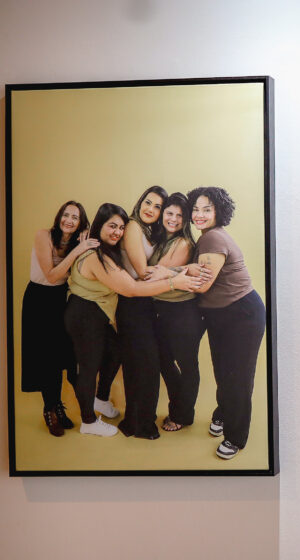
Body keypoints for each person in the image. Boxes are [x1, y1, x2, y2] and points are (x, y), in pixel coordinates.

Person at [64, 203, 199, 437]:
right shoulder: (97, 255)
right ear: (100, 225)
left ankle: (100, 399)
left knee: (116, 352)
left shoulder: (106, 249)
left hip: (98, 313)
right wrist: (174, 281)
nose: (117, 232)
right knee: (88, 368)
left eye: (120, 228)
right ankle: (88, 421)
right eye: (112, 226)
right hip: (84, 314)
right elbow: (131, 289)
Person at [189, 186, 267, 460]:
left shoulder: (213, 238)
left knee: (238, 378)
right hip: (220, 315)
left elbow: (202, 284)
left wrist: (166, 272)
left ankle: (236, 437)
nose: (199, 214)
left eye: (206, 209)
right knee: (223, 372)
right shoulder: (207, 236)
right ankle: (223, 413)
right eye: (195, 209)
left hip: (241, 314)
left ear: (218, 211)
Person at [22, 201, 97, 436]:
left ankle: (58, 406)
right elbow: (52, 276)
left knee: (62, 357)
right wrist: (78, 250)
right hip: (38, 300)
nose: (69, 220)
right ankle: (50, 410)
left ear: (80, 223)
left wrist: (83, 243)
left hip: (61, 299)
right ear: (59, 216)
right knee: (46, 358)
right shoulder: (43, 235)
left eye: (75, 217)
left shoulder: (77, 242)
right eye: (66, 215)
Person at [147, 192, 206, 432]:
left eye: (179, 215)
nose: (173, 219)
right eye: (169, 213)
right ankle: (178, 409)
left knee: (187, 365)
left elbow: (153, 275)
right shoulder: (163, 240)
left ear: (186, 220)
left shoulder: (183, 243)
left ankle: (183, 415)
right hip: (164, 310)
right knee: (165, 361)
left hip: (183, 312)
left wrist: (157, 271)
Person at [116, 185, 169, 439]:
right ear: (140, 202)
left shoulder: (149, 231)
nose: (151, 209)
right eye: (148, 202)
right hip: (131, 302)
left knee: (143, 364)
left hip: (145, 302)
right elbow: (142, 271)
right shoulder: (133, 226)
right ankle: (139, 423)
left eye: (158, 206)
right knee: (142, 364)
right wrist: (178, 274)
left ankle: (136, 420)